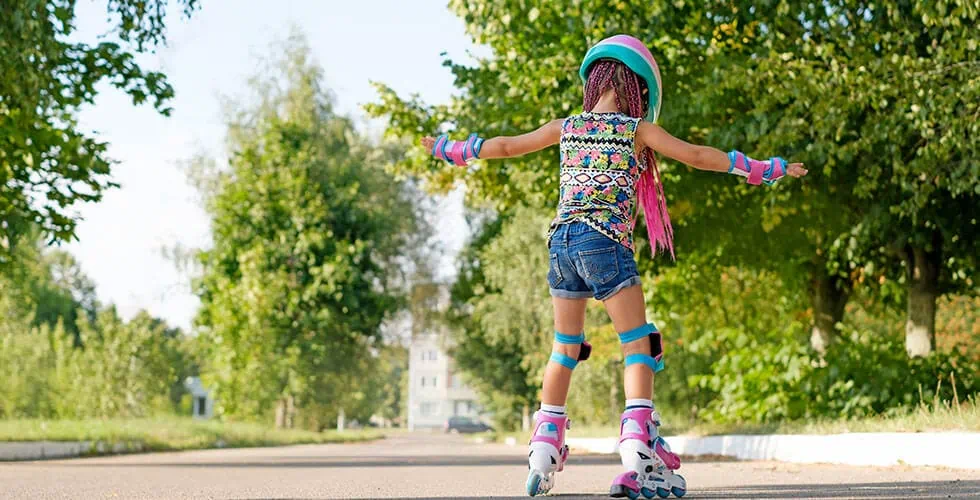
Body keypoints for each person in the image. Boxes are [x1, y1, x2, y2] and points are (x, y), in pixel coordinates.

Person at [421, 34, 807, 499]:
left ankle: (544, 449)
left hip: (560, 242)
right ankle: (636, 445)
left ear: (595, 82)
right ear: (638, 91)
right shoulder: (635, 130)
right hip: (604, 242)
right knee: (638, 344)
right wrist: (765, 168)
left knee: (565, 347)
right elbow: (699, 156)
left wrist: (452, 148)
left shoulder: (565, 126)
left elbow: (504, 147)